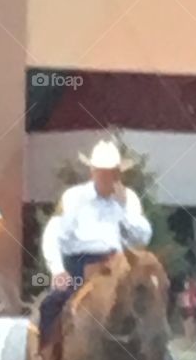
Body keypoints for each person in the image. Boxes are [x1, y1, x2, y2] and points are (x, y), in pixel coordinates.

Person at [39, 138, 152, 344]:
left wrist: (125, 208)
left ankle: (157, 356)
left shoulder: (129, 199)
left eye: (114, 173)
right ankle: (45, 358)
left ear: (119, 174)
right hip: (80, 264)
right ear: (93, 172)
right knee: (52, 303)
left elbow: (142, 237)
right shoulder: (74, 197)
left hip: (116, 264)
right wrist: (57, 270)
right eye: (104, 172)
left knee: (150, 302)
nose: (109, 178)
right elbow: (53, 234)